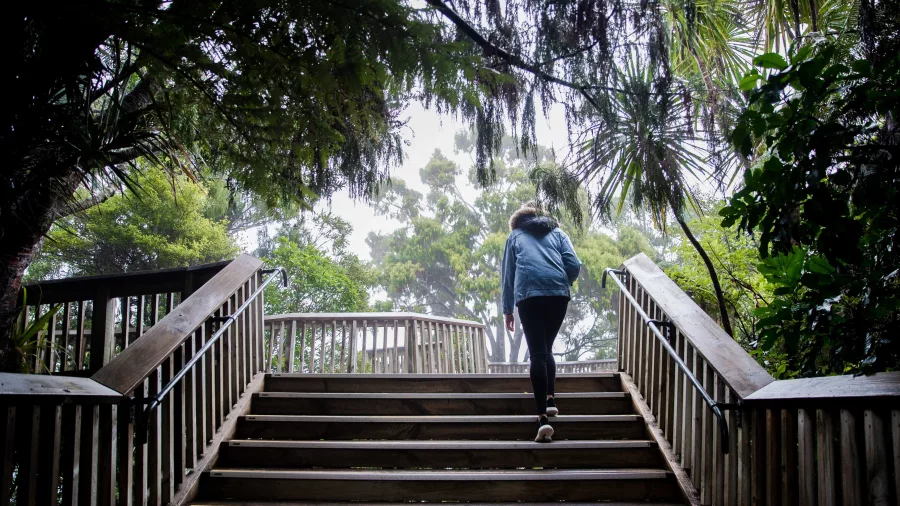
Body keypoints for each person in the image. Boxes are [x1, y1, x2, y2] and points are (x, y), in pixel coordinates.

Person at [501, 201, 581, 443]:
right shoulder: (557, 232)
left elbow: (508, 275)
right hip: (558, 295)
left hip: (529, 296)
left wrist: (507, 310)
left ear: (519, 218)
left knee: (537, 352)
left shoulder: (515, 236)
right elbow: (574, 265)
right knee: (546, 348)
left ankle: (542, 420)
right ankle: (550, 399)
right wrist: (561, 282)